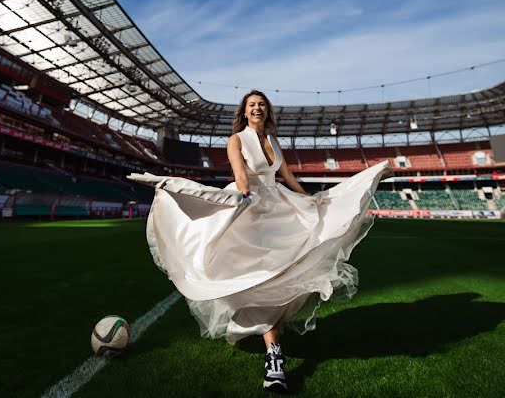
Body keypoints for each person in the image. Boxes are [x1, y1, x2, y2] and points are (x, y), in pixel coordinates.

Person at [129, 90, 391, 392]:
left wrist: (313, 200)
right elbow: (241, 177)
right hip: (252, 211)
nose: (258, 107)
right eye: (252, 104)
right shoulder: (236, 140)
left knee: (282, 274)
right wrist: (244, 195)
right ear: (244, 111)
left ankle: (273, 348)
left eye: (262, 104)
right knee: (263, 278)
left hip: (279, 208)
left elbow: (288, 178)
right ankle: (274, 353)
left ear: (267, 111)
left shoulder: (273, 141)